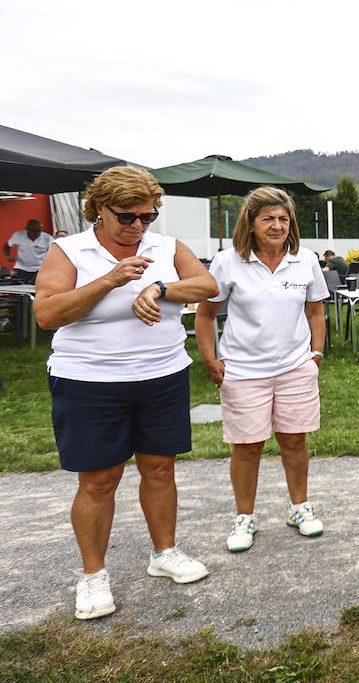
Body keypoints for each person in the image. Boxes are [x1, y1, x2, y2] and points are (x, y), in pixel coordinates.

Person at [33, 166, 219, 620]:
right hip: (89, 382)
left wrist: (159, 286)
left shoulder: (166, 247)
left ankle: (164, 553)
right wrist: (110, 280)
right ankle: (93, 576)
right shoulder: (69, 250)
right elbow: (47, 313)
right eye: (127, 217)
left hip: (162, 375)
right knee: (99, 480)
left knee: (159, 468)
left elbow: (208, 286)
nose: (138, 226)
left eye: (147, 216)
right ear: (99, 208)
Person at [197, 186, 330, 553]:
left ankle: (300, 508)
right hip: (242, 371)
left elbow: (316, 310)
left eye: (283, 218)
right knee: (248, 446)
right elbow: (206, 314)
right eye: (268, 218)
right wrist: (210, 358)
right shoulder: (228, 262)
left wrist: (315, 355)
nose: (277, 225)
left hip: (294, 368)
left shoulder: (305, 259)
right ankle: (245, 516)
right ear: (251, 223)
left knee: (294, 440)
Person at [6, 218, 54, 284]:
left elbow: (55, 252)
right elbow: (7, 245)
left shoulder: (48, 238)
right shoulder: (18, 235)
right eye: (33, 231)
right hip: (21, 268)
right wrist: (7, 255)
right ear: (27, 229)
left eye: (39, 231)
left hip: (39, 268)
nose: (36, 233)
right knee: (17, 288)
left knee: (37, 288)